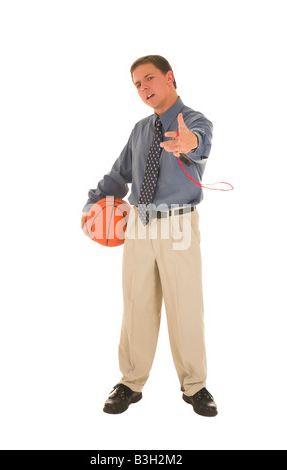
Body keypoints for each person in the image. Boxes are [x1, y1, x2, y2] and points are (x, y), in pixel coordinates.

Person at [81, 55, 218, 417]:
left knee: (185, 306)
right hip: (139, 223)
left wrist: (188, 143)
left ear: (169, 77)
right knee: (136, 303)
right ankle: (130, 381)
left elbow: (199, 143)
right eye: (137, 85)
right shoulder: (140, 130)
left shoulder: (195, 122)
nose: (143, 88)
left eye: (149, 79)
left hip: (178, 224)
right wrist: (92, 203)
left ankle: (195, 386)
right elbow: (118, 174)